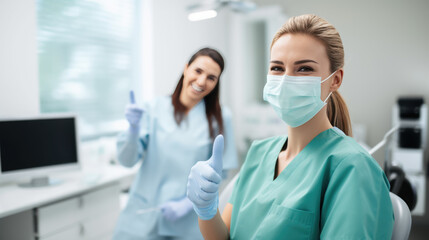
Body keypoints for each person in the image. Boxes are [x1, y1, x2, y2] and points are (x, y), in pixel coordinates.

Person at [187, 14, 394, 239]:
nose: (286, 80)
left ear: (335, 79)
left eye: (304, 69)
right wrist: (205, 209)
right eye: (277, 68)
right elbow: (224, 236)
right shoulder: (259, 152)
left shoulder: (353, 169)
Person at [113, 47, 238, 240]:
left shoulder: (221, 118)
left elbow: (221, 173)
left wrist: (188, 204)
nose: (201, 81)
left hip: (187, 223)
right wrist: (133, 129)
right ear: (186, 68)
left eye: (211, 78)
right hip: (142, 215)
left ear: (216, 83)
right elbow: (127, 161)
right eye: (198, 71)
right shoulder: (154, 109)